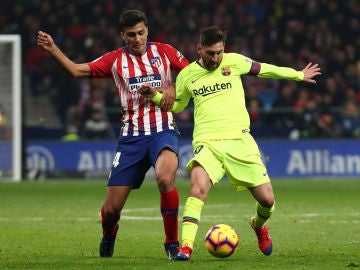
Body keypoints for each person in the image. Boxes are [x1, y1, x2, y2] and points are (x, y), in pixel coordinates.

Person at [138, 25, 321, 261]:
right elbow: (178, 105)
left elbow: (264, 70)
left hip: (240, 141)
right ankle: (185, 247)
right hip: (208, 142)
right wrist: (154, 96)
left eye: (219, 52)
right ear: (199, 49)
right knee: (197, 189)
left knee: (267, 200)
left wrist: (297, 74)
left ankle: (258, 225)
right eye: (210, 53)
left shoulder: (234, 62)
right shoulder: (187, 75)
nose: (215, 58)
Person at [37, 10, 189, 259]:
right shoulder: (115, 60)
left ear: (147, 31)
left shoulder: (164, 51)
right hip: (131, 139)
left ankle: (172, 245)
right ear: (123, 36)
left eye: (141, 33)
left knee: (164, 179)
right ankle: (109, 234)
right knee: (111, 210)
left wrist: (172, 85)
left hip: (163, 130)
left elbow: (193, 73)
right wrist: (53, 49)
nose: (137, 39)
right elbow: (75, 71)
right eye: (131, 35)